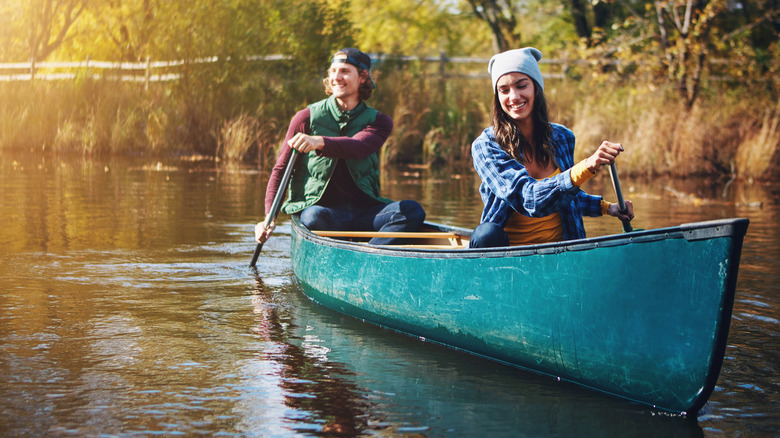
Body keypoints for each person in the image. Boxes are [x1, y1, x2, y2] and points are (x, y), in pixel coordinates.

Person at [255, 48, 425, 245]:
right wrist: (269, 217)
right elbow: (281, 169)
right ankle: (360, 252)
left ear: (363, 78)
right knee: (312, 217)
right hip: (323, 213)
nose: (336, 77)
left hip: (364, 213)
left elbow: (359, 146)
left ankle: (371, 253)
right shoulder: (305, 118)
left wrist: (319, 141)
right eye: (332, 71)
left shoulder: (379, 121)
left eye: (344, 71)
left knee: (412, 210)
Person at [470, 47, 634, 248]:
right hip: (507, 256)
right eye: (504, 90)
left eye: (522, 85)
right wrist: (586, 166)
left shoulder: (562, 137)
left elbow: (563, 195)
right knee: (486, 234)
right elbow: (529, 199)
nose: (513, 97)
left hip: (561, 251)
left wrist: (608, 208)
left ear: (536, 88)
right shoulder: (486, 146)